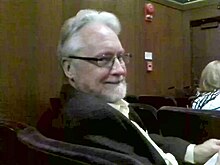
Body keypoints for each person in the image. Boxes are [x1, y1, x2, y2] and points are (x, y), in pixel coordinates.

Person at [38, 9, 220, 164]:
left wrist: (192, 151)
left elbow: (142, 140)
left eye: (121, 57)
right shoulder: (94, 118)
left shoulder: (95, 105)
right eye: (103, 59)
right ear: (69, 68)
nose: (120, 70)